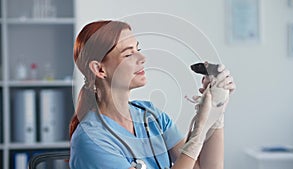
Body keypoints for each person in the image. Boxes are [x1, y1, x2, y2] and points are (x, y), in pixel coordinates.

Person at [69, 20, 236, 169]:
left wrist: (216, 113)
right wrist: (199, 132)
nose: (142, 57)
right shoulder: (91, 140)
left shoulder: (150, 116)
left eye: (138, 49)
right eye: (128, 54)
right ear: (99, 69)